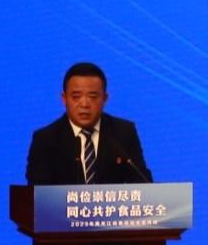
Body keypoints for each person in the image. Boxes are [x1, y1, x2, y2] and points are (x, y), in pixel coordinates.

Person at [24, 61, 153, 185]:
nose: (84, 104)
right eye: (76, 97)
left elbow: (143, 183)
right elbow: (36, 193)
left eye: (93, 96)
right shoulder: (45, 140)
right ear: (64, 99)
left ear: (105, 98)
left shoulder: (123, 133)